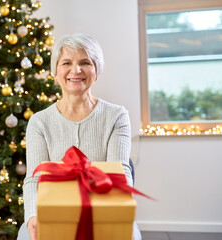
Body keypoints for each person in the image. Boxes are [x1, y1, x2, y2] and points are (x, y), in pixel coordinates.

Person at [17, 33, 141, 240]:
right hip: (55, 214)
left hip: (103, 212)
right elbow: (33, 179)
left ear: (96, 71)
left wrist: (119, 217)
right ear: (55, 72)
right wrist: (32, 217)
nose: (76, 70)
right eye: (66, 62)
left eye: (85, 62)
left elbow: (119, 172)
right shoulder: (39, 122)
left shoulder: (117, 116)